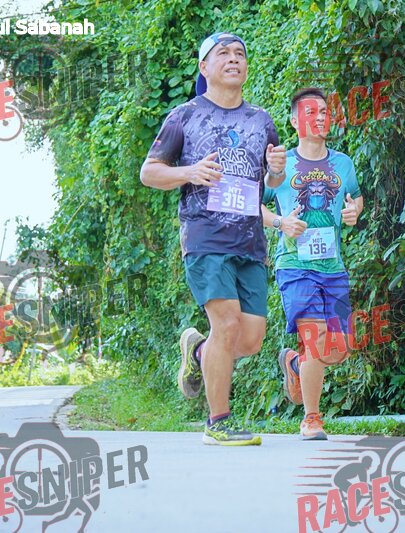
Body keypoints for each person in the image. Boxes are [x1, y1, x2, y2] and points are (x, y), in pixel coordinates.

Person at [140, 32, 287, 446]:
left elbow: (271, 182)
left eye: (240, 53)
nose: (233, 59)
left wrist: (276, 170)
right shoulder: (184, 116)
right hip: (205, 237)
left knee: (250, 339)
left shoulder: (261, 120)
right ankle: (218, 421)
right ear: (204, 67)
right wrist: (189, 172)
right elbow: (149, 172)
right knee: (226, 322)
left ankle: (200, 352)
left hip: (250, 242)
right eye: (223, 53)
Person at [261, 88, 364, 440]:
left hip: (332, 267)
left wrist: (353, 212)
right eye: (311, 112)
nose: (320, 117)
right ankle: (312, 418)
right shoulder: (282, 165)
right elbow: (253, 204)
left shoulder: (343, 163)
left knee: (339, 349)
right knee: (315, 336)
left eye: (324, 112)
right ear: (295, 121)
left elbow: (356, 198)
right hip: (294, 264)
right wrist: (281, 223)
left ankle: (294, 363)